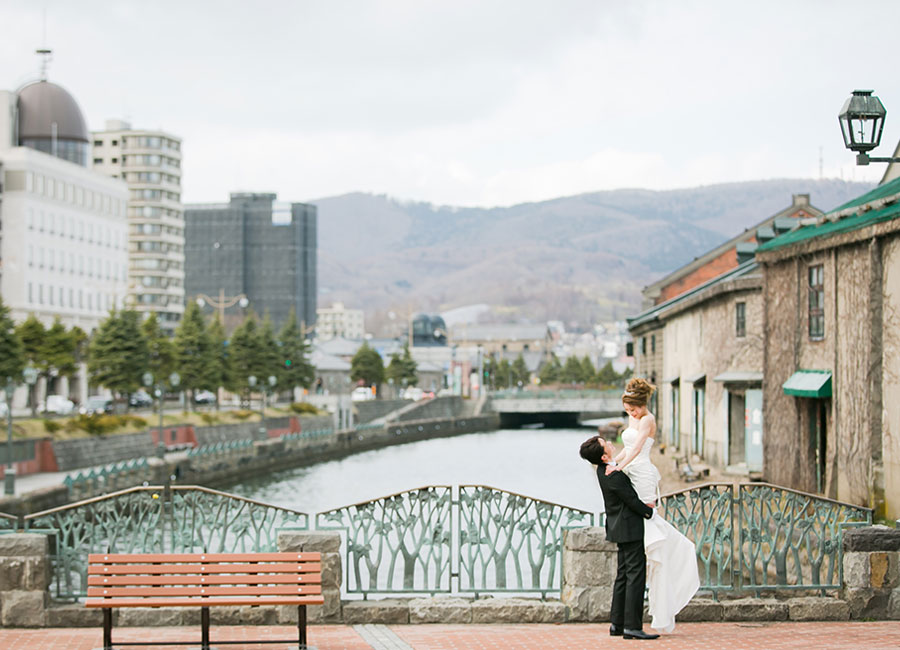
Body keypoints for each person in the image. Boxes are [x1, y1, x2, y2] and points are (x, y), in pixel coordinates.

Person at [605, 377, 700, 633]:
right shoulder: (634, 418)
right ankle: (624, 621)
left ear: (641, 404)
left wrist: (618, 468)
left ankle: (668, 559)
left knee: (646, 518)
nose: (630, 413)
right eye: (627, 410)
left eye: (632, 409)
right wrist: (614, 464)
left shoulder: (648, 419)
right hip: (629, 470)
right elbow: (625, 449)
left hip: (642, 473)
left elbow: (636, 450)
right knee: (636, 530)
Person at [579, 435, 659, 641]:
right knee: (635, 575)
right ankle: (632, 626)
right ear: (604, 455)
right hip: (629, 527)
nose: (608, 441)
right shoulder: (612, 475)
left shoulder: (603, 469)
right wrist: (649, 512)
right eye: (605, 442)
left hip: (618, 527)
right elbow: (631, 499)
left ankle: (618, 624)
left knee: (623, 575)